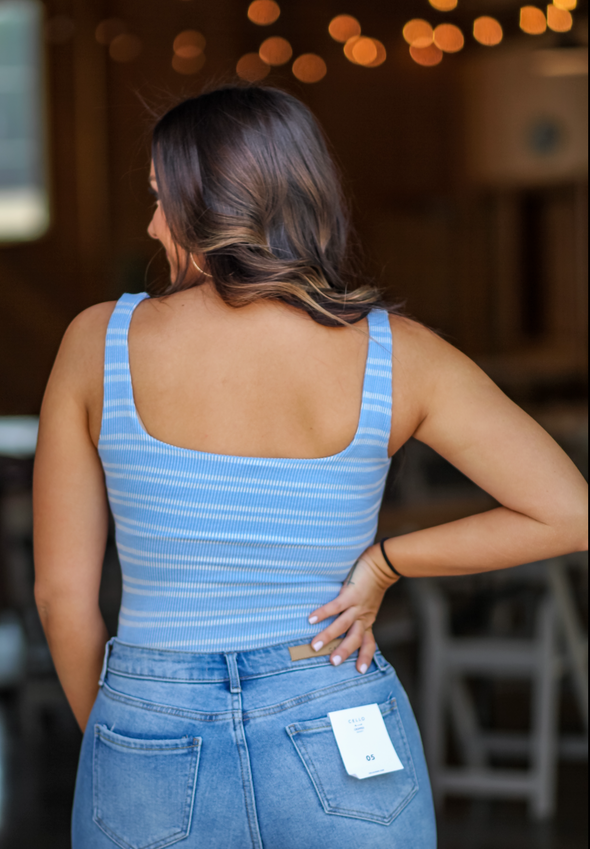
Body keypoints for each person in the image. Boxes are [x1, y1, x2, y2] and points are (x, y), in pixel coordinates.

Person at [33, 86, 587, 849]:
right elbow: (570, 510)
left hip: (148, 720)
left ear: (207, 204)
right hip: (334, 702)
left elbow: (62, 596)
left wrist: (130, 739)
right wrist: (385, 564)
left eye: (163, 200)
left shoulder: (96, 341)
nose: (151, 223)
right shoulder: (400, 354)